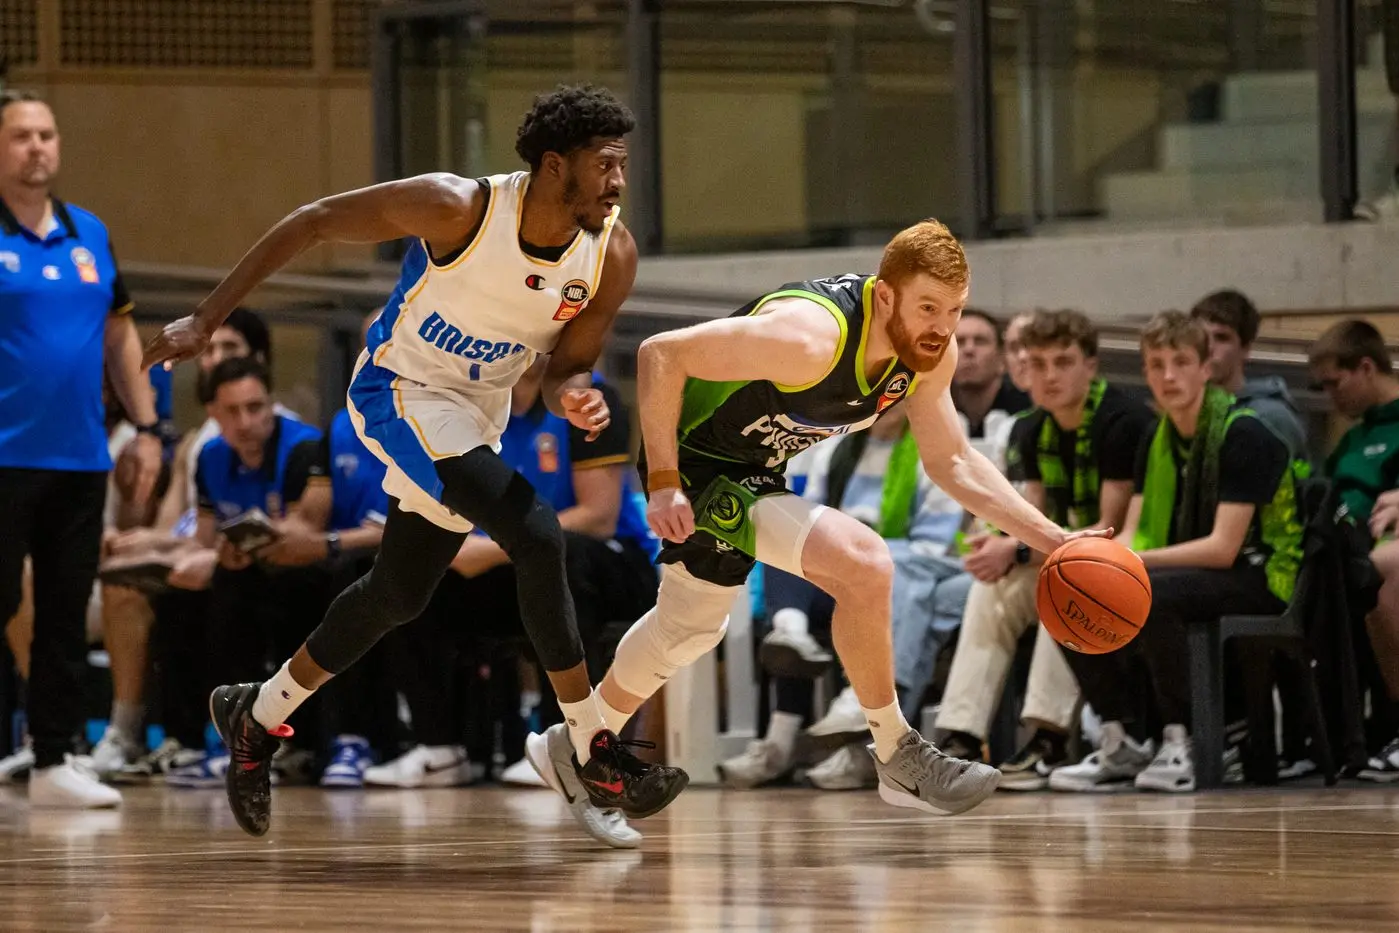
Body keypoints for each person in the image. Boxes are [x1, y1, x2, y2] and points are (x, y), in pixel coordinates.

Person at [142, 84, 682, 847]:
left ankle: (256, 713)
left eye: (623, 164)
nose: (619, 182)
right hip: (400, 392)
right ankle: (593, 750)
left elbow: (569, 365)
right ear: (555, 166)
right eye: (605, 165)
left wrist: (574, 395)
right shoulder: (457, 208)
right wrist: (207, 318)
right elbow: (313, 220)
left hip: (479, 412)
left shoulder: (610, 254)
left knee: (397, 593)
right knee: (536, 534)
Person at [526, 218, 1106, 824]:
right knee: (865, 561)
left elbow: (953, 461)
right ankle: (896, 753)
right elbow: (660, 354)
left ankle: (575, 745)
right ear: (886, 296)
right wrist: (665, 481)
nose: (942, 327)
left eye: (955, 310)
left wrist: (1056, 540)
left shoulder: (929, 353)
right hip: (695, 459)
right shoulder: (810, 336)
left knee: (690, 627)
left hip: (756, 464)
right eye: (928, 308)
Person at [1050, 311, 1302, 793]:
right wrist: (1088, 557)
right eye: (1156, 364)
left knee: (1153, 594)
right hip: (1196, 571)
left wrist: (1130, 563)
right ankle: (1121, 737)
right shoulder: (1156, 437)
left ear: (1206, 368)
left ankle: (1185, 739)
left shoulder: (1243, 432)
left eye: (1181, 362)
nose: (1168, 376)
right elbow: (1133, 532)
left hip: (1265, 572)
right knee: (1067, 586)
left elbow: (1224, 548)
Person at [0, 89, 160, 808]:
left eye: (47, 134)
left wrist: (148, 428)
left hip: (78, 458)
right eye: (21, 135)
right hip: (4, 457)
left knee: (65, 611)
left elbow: (119, 335)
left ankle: (53, 756)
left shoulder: (88, 232)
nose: (37, 146)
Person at [1189, 289, 1308, 459]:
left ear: (1245, 348)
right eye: (1200, 336)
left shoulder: (1271, 418)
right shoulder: (1186, 410)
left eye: (1221, 338)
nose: (1209, 348)